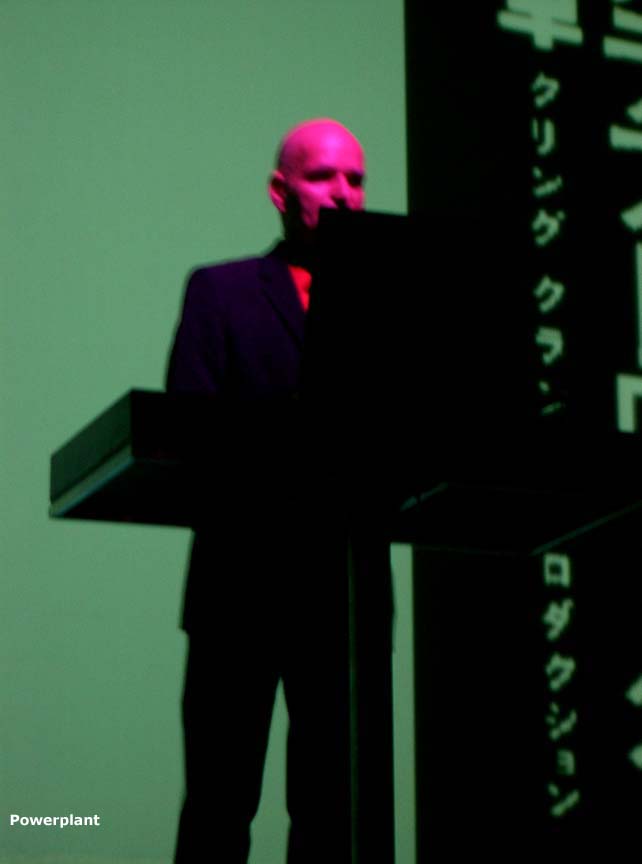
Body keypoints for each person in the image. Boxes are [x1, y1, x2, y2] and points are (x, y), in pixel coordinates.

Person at [166, 118, 366, 864]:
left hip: (345, 596)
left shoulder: (388, 305)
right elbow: (188, 428)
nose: (343, 194)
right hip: (238, 588)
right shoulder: (221, 291)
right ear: (280, 191)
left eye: (356, 179)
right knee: (218, 809)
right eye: (323, 176)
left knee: (336, 815)